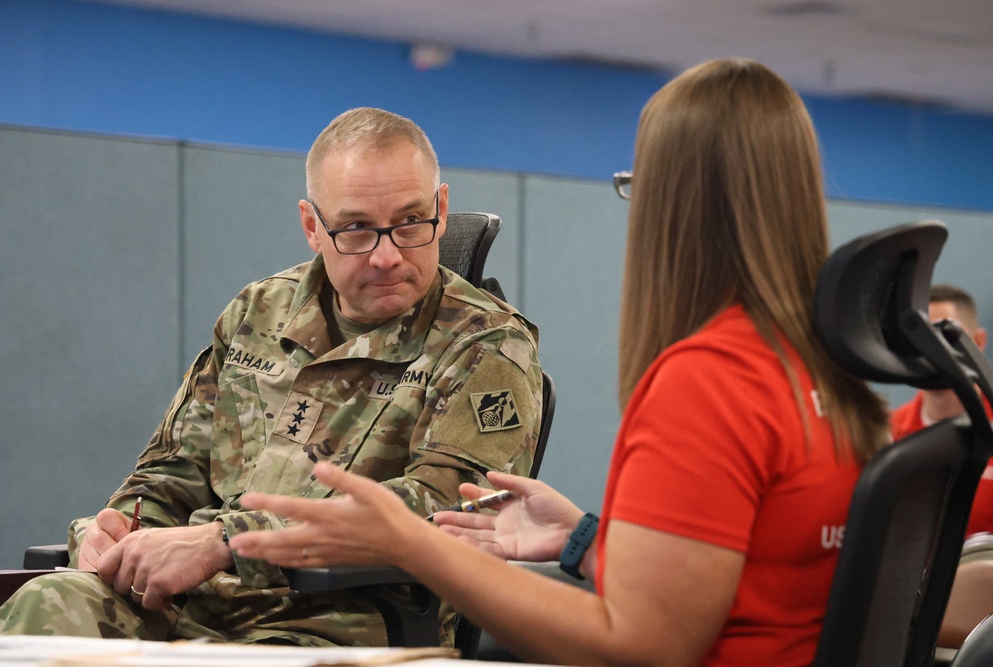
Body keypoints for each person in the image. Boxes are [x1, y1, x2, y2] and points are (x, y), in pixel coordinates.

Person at [230, 59, 890, 667]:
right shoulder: (821, 370)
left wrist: (413, 543)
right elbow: (745, 579)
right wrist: (583, 539)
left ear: (671, 202)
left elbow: (639, 645)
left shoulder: (707, 382)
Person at [0, 108, 543, 646]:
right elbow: (174, 470)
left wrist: (227, 543)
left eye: (409, 223)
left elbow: (444, 512)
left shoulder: (486, 343)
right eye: (355, 229)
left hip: (328, 625)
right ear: (312, 226)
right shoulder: (259, 312)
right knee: (46, 605)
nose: (386, 256)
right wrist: (116, 529)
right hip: (189, 604)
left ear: (442, 210)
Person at [890, 284, 993, 537]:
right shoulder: (886, 436)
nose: (932, 354)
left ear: (978, 342)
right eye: (919, 341)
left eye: (944, 339)